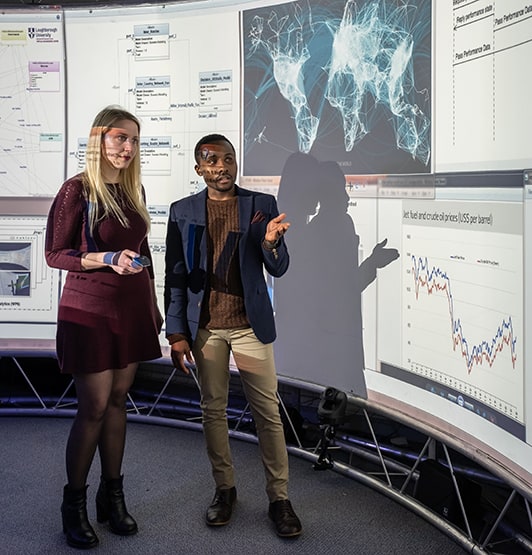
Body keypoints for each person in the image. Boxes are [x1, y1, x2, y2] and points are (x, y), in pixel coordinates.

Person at [164, 133, 302, 538]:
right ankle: (225, 490)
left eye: (227, 158)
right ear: (199, 169)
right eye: (211, 160)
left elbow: (279, 268)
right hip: (205, 330)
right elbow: (175, 274)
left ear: (235, 162)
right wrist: (176, 331)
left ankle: (279, 498)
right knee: (213, 412)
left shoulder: (261, 206)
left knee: (268, 416)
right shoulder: (181, 211)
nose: (221, 166)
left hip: (249, 327)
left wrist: (273, 244)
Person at [45, 105, 163, 549]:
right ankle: (73, 504)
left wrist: (151, 307)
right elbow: (55, 254)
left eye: (134, 140)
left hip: (131, 310)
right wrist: (106, 259)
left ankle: (112, 498)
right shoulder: (77, 190)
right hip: (89, 309)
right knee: (93, 407)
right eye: (120, 138)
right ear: (99, 140)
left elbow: (143, 249)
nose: (128, 148)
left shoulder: (134, 190)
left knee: (117, 401)